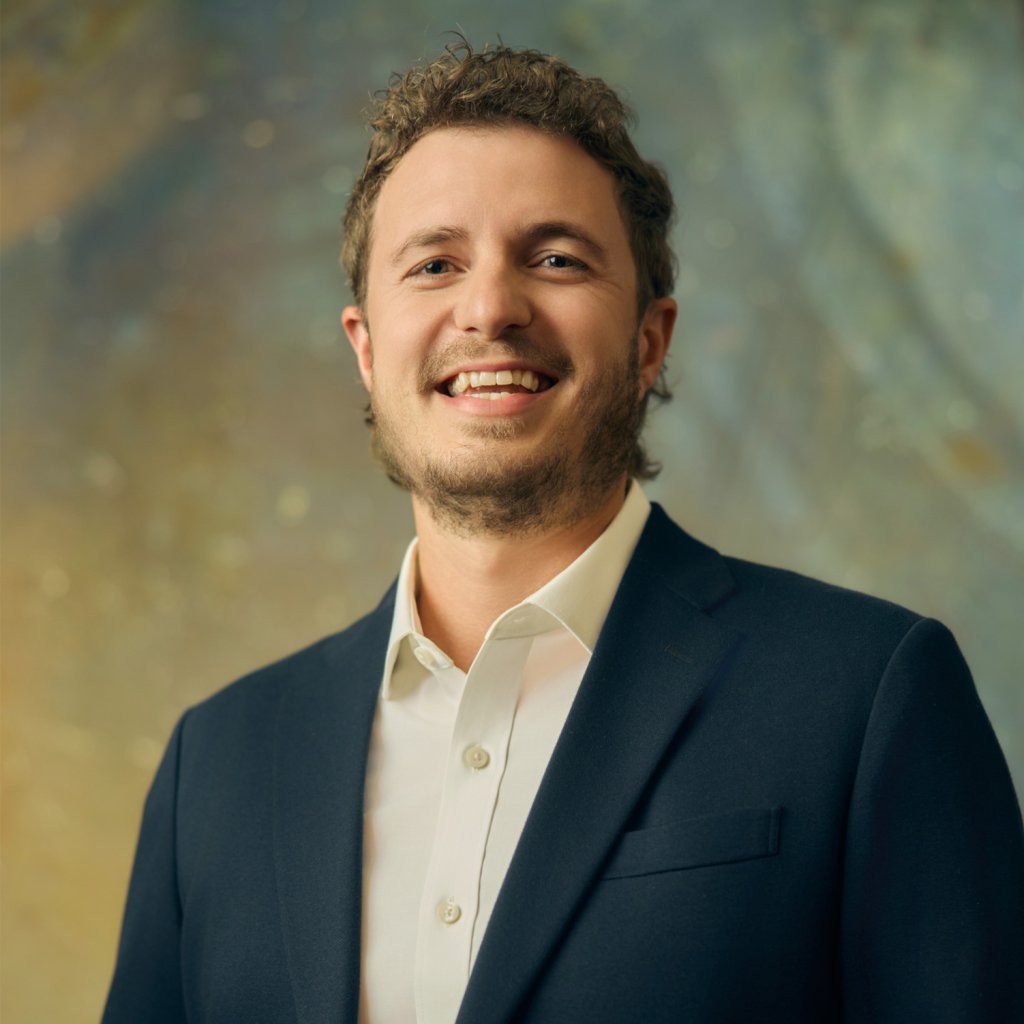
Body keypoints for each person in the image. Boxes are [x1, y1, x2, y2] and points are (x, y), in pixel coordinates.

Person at [103, 41, 1024, 1024]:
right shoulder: (218, 762)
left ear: (648, 342)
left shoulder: (866, 693)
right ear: (365, 349)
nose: (490, 308)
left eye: (555, 260)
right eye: (434, 264)